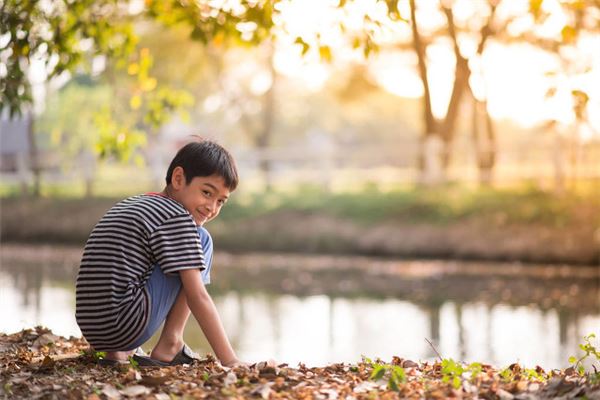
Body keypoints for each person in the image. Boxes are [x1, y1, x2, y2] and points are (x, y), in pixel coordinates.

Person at [75, 139, 242, 367]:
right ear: (178, 178)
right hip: (125, 326)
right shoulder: (177, 218)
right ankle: (171, 343)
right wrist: (230, 360)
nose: (211, 207)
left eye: (220, 201)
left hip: (92, 328)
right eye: (206, 192)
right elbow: (198, 296)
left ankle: (116, 352)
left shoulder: (135, 204)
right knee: (201, 238)